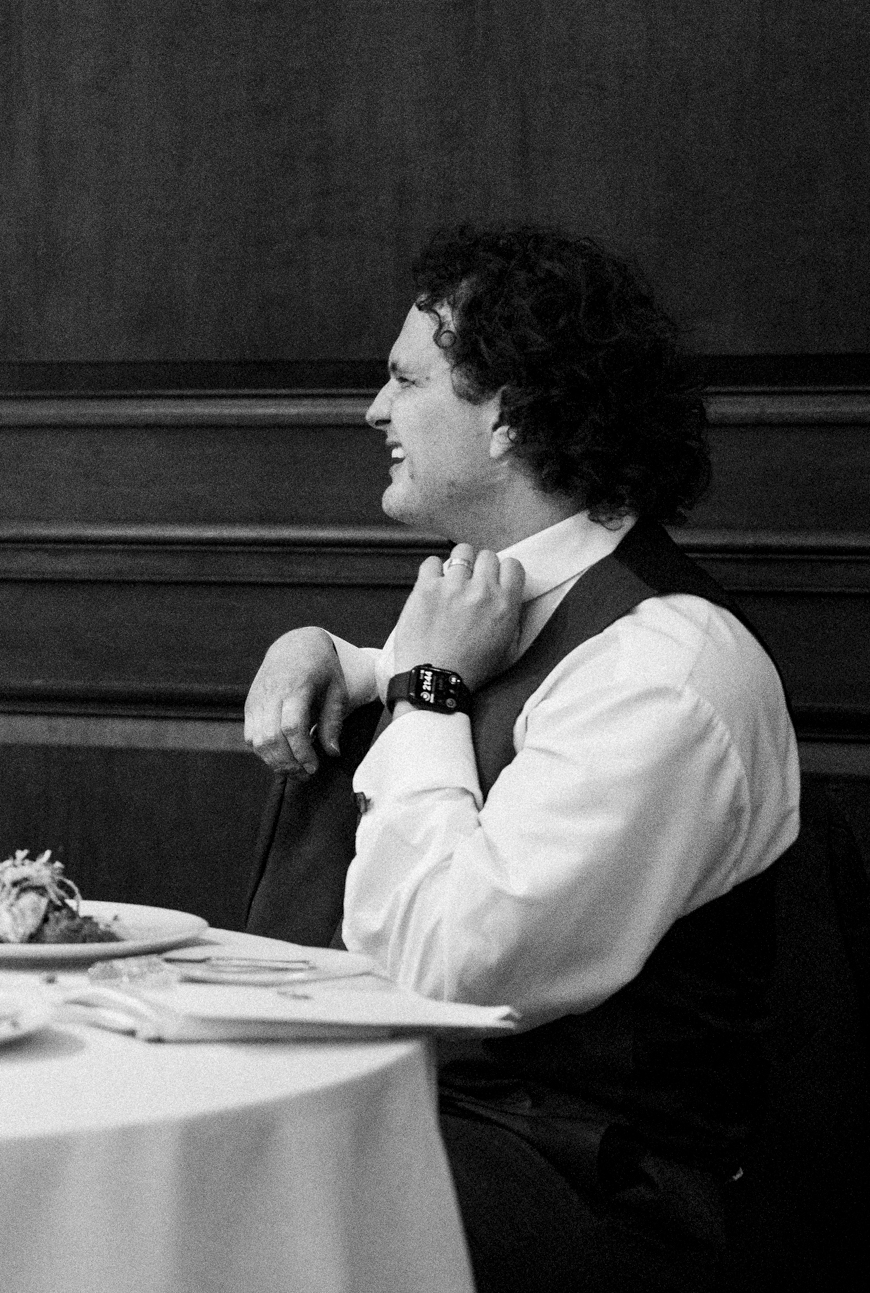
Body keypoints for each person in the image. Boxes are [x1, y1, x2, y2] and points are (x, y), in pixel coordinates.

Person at [240, 226, 798, 1292]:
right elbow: (482, 694)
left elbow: (446, 969)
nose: (374, 410)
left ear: (507, 414)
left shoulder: (667, 672)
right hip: (432, 1124)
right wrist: (344, 660)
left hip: (584, 1190)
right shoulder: (496, 609)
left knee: (212, 1215)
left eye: (405, 380)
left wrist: (423, 692)